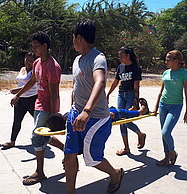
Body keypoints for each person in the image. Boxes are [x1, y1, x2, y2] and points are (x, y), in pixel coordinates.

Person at [64, 19, 123, 194]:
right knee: (69, 154)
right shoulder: (76, 60)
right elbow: (77, 86)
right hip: (76, 113)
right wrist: (73, 109)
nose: (72, 41)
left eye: (73, 37)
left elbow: (100, 82)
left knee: (92, 158)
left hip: (95, 117)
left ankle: (115, 174)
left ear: (79, 38)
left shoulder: (98, 58)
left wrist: (87, 111)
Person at [10, 32, 64, 185]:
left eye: (36, 46)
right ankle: (67, 152)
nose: (33, 49)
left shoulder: (53, 67)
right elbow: (32, 81)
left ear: (45, 46)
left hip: (48, 106)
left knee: (37, 136)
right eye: (32, 46)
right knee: (43, 136)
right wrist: (18, 94)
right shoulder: (37, 63)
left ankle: (40, 172)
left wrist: (54, 115)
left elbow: (54, 93)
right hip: (38, 104)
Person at [152, 50, 187, 166]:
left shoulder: (184, 73)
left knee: (166, 132)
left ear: (176, 61)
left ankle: (172, 152)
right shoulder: (165, 73)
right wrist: (156, 107)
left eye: (168, 59)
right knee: (163, 133)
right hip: (163, 105)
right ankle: (166, 157)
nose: (166, 61)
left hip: (175, 106)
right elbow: (161, 91)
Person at [106, 46, 146, 156]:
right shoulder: (120, 67)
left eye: (121, 55)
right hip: (121, 94)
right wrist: (108, 94)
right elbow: (116, 82)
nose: (119, 58)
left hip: (130, 95)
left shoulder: (135, 68)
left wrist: (136, 101)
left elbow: (136, 86)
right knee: (120, 120)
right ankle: (126, 148)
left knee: (127, 120)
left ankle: (140, 134)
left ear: (128, 55)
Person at [2, 53, 38, 149]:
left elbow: (31, 85)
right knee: (17, 120)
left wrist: (17, 92)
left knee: (38, 120)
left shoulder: (35, 71)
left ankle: (46, 138)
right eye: (27, 59)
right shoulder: (22, 69)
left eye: (31, 60)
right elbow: (22, 82)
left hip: (32, 99)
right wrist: (18, 94)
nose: (28, 62)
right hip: (20, 99)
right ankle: (12, 141)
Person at [46, 98, 149, 132]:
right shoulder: (72, 120)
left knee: (119, 112)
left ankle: (131, 111)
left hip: (99, 114)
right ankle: (141, 111)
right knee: (118, 112)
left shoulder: (69, 120)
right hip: (102, 117)